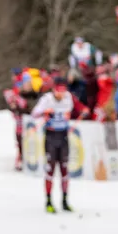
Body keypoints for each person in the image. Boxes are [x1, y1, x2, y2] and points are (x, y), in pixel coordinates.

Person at [31, 81, 76, 213]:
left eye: (63, 91)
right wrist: (45, 112)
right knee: (50, 170)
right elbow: (34, 113)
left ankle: (65, 201)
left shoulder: (68, 98)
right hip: (51, 137)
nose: (61, 94)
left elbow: (77, 109)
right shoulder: (47, 99)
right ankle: (49, 201)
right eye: (58, 91)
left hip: (63, 137)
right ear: (54, 90)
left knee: (64, 170)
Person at [3, 70, 30, 171]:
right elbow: (14, 108)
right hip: (20, 125)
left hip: (29, 125)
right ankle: (20, 160)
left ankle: (23, 159)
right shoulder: (14, 95)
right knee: (20, 142)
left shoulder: (30, 94)